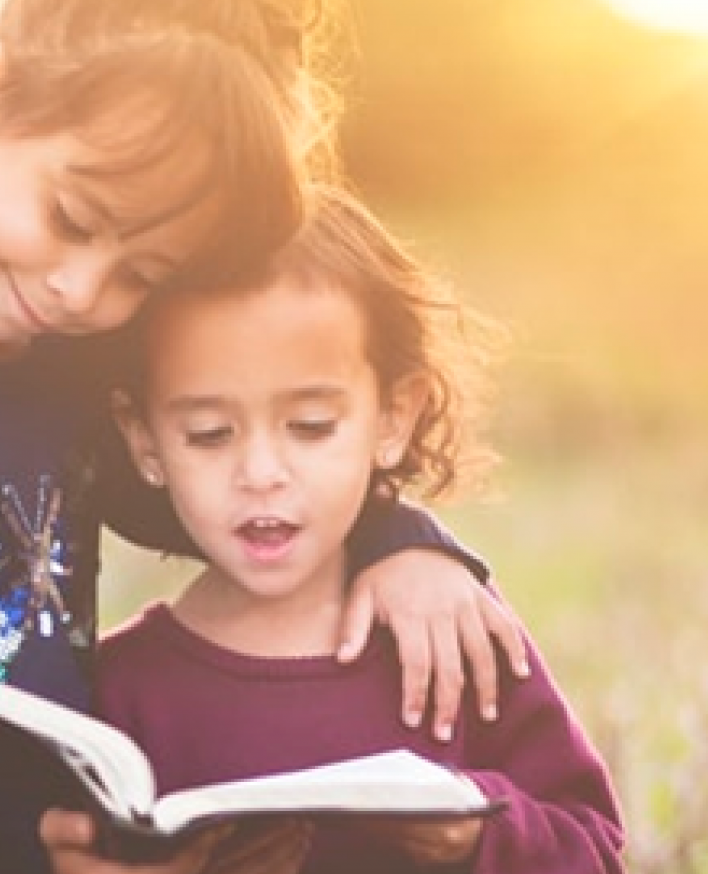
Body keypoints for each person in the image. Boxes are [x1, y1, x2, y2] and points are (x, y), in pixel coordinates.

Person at [0, 3, 528, 873]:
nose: (85, 291)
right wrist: (5, 853)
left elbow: (212, 499)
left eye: (142, 274)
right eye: (74, 220)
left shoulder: (59, 348)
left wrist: (403, 543)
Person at [96, 185, 627, 873]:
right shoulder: (122, 690)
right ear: (144, 441)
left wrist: (477, 831)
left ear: (393, 419)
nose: (260, 471)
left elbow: (595, 849)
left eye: (311, 427)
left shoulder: (450, 633)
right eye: (208, 434)